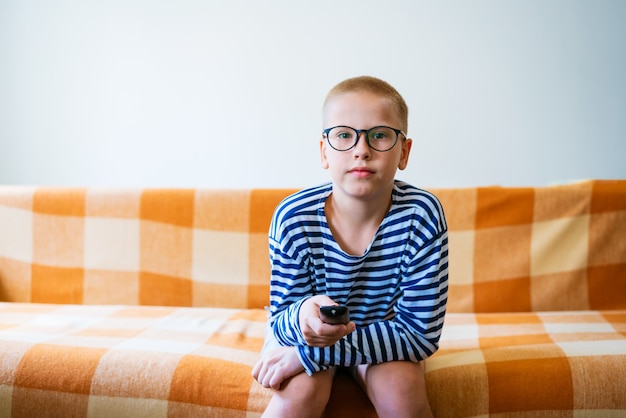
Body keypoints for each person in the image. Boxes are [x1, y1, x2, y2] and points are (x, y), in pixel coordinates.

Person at [252, 75, 448, 418]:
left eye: (380, 135)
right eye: (344, 135)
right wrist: (304, 319)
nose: (361, 149)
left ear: (404, 151)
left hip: (383, 337)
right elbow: (282, 320)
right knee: (298, 395)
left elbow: (419, 336)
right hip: (303, 337)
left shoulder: (422, 216)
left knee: (402, 391)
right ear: (324, 151)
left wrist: (315, 356)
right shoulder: (293, 218)